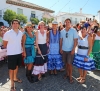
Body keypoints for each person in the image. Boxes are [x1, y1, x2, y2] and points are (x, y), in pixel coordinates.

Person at [3, 19, 23, 91]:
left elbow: (20, 42)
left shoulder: (21, 33)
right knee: (11, 69)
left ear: (18, 24)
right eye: (14, 23)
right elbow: (4, 44)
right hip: (11, 54)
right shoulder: (8, 33)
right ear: (12, 24)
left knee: (17, 66)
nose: (15, 24)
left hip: (18, 52)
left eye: (17, 23)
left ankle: (15, 78)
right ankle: (12, 84)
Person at [60, 18, 78, 83]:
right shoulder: (62, 31)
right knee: (66, 64)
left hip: (70, 50)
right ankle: (67, 74)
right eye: (66, 22)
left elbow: (76, 40)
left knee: (70, 64)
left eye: (68, 22)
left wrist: (73, 49)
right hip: (64, 50)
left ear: (70, 23)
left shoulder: (74, 30)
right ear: (64, 23)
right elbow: (61, 40)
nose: (67, 23)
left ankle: (70, 76)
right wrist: (60, 48)